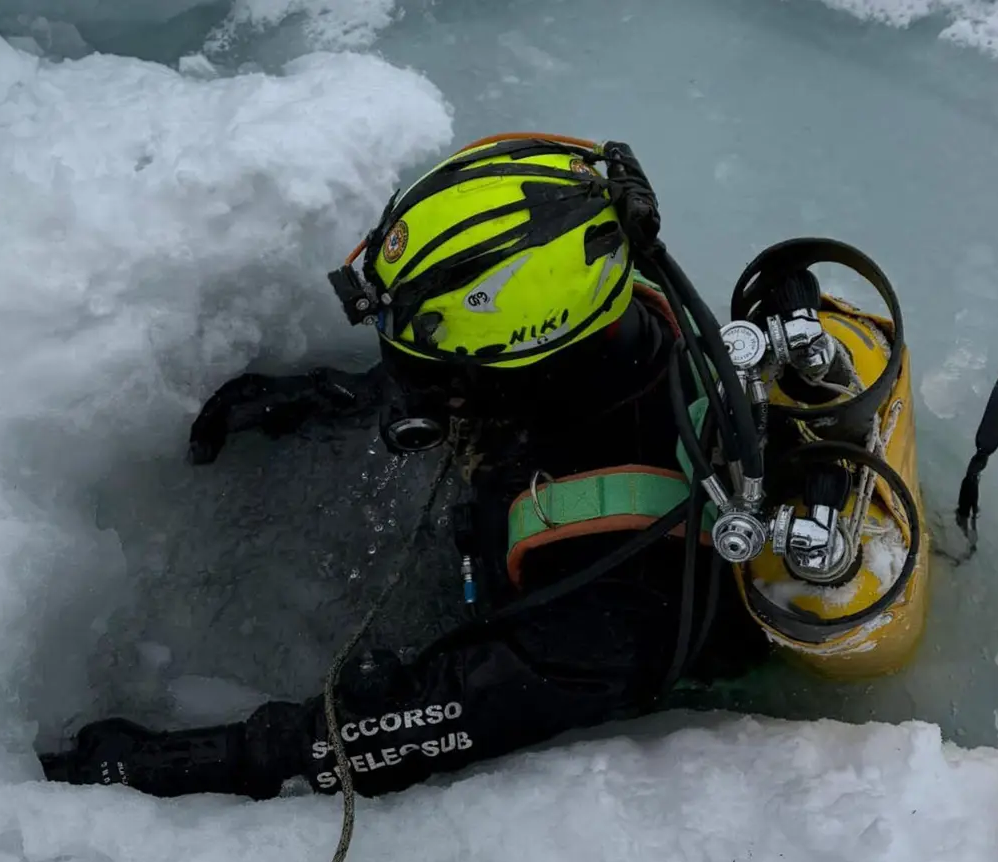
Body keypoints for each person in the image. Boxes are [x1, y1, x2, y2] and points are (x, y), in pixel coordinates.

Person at [39, 133, 775, 800]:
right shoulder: (613, 326)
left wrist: (188, 760)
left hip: (601, 655)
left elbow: (418, 723)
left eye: (426, 370)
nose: (409, 386)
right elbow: (473, 377)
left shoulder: (612, 596)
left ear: (522, 366)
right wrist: (330, 394)